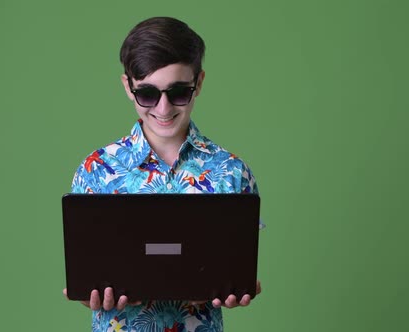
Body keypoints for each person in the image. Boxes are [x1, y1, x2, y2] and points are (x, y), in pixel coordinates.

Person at [63, 16, 262, 332]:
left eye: (179, 91)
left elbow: (235, 271)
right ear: (128, 86)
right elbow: (88, 283)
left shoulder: (233, 172)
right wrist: (90, 296)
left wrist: (235, 288)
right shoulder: (95, 170)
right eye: (148, 94)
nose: (164, 108)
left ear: (199, 82)